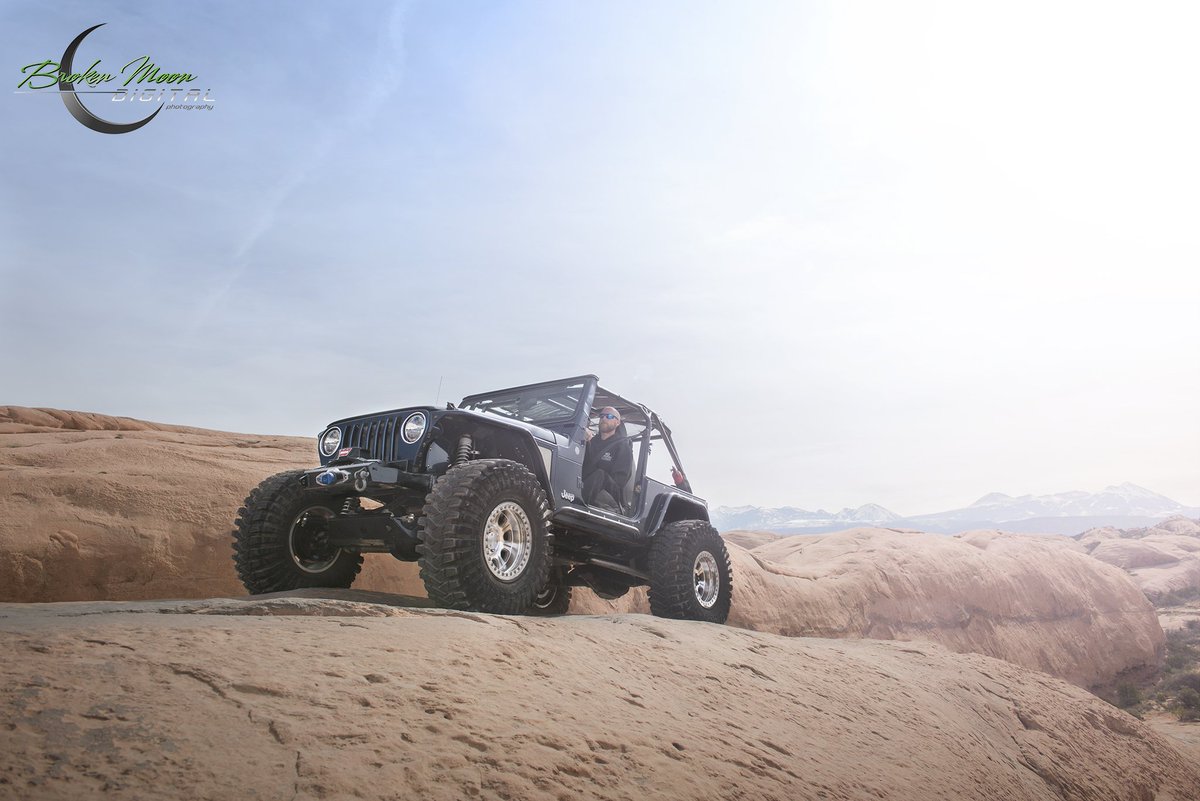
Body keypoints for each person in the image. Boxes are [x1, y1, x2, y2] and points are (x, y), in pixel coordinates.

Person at [582, 406, 633, 512]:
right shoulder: (591, 441)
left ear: (617, 423)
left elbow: (620, 481)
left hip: (610, 494)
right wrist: (585, 442)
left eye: (609, 416)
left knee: (600, 475)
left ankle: (579, 505)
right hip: (585, 484)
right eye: (602, 416)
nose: (604, 419)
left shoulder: (622, 446)